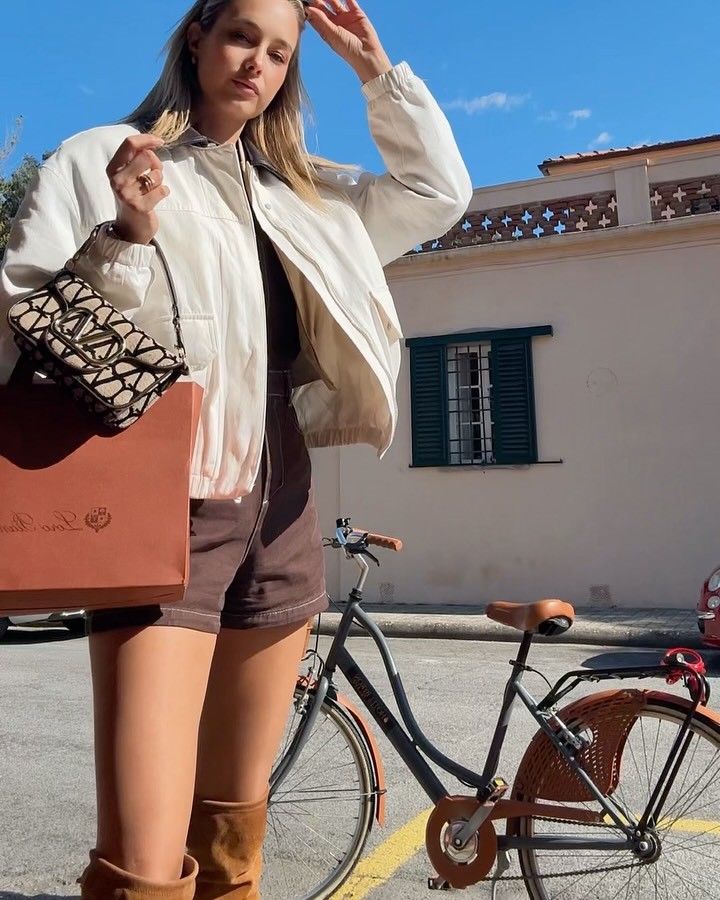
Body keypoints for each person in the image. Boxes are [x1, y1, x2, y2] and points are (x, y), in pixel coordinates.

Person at [0, 0, 472, 897]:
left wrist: (378, 73)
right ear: (197, 39)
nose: (258, 63)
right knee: (142, 860)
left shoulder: (308, 192)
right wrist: (127, 238)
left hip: (282, 505)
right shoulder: (101, 158)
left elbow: (437, 196)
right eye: (241, 37)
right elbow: (24, 312)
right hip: (162, 504)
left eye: (280, 52)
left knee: (232, 827)